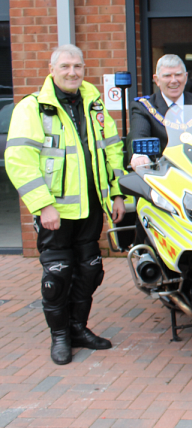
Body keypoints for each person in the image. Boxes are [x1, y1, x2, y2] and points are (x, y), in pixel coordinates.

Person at [5, 44, 126, 365]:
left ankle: (78, 329)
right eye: (65, 67)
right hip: (55, 212)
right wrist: (43, 205)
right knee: (58, 274)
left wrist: (116, 194)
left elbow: (112, 151)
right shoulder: (33, 108)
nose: (72, 72)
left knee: (90, 270)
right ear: (52, 69)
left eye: (78, 66)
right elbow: (19, 160)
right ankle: (59, 337)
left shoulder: (94, 103)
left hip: (91, 208)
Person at [128, 54, 192, 167]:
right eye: (167, 76)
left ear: (185, 77)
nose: (173, 80)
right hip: (164, 174)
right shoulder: (144, 107)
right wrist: (139, 155)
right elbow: (139, 134)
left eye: (178, 75)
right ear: (157, 80)